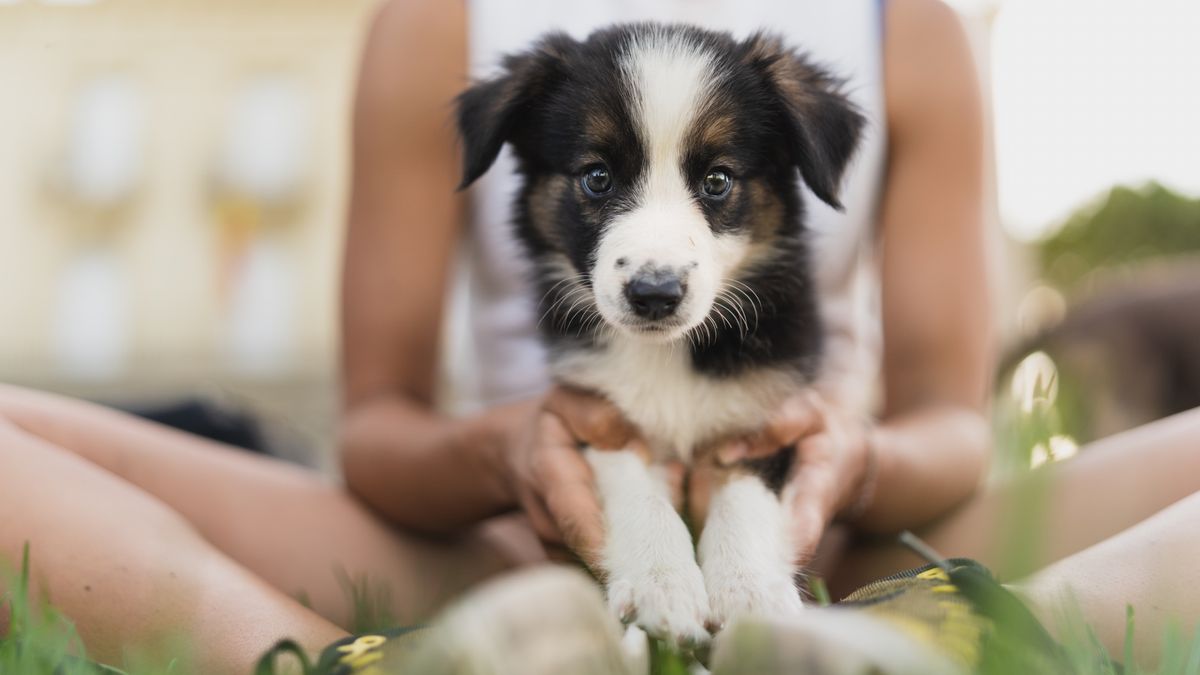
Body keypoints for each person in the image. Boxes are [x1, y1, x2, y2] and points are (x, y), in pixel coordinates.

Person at [1, 0, 1197, 672]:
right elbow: (373, 428)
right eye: (596, 178)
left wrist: (857, 460)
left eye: (718, 181)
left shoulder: (906, 27)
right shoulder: (438, 21)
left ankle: (944, 636)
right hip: (498, 544)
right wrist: (510, 455)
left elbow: (951, 422)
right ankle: (381, 663)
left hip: (858, 537)